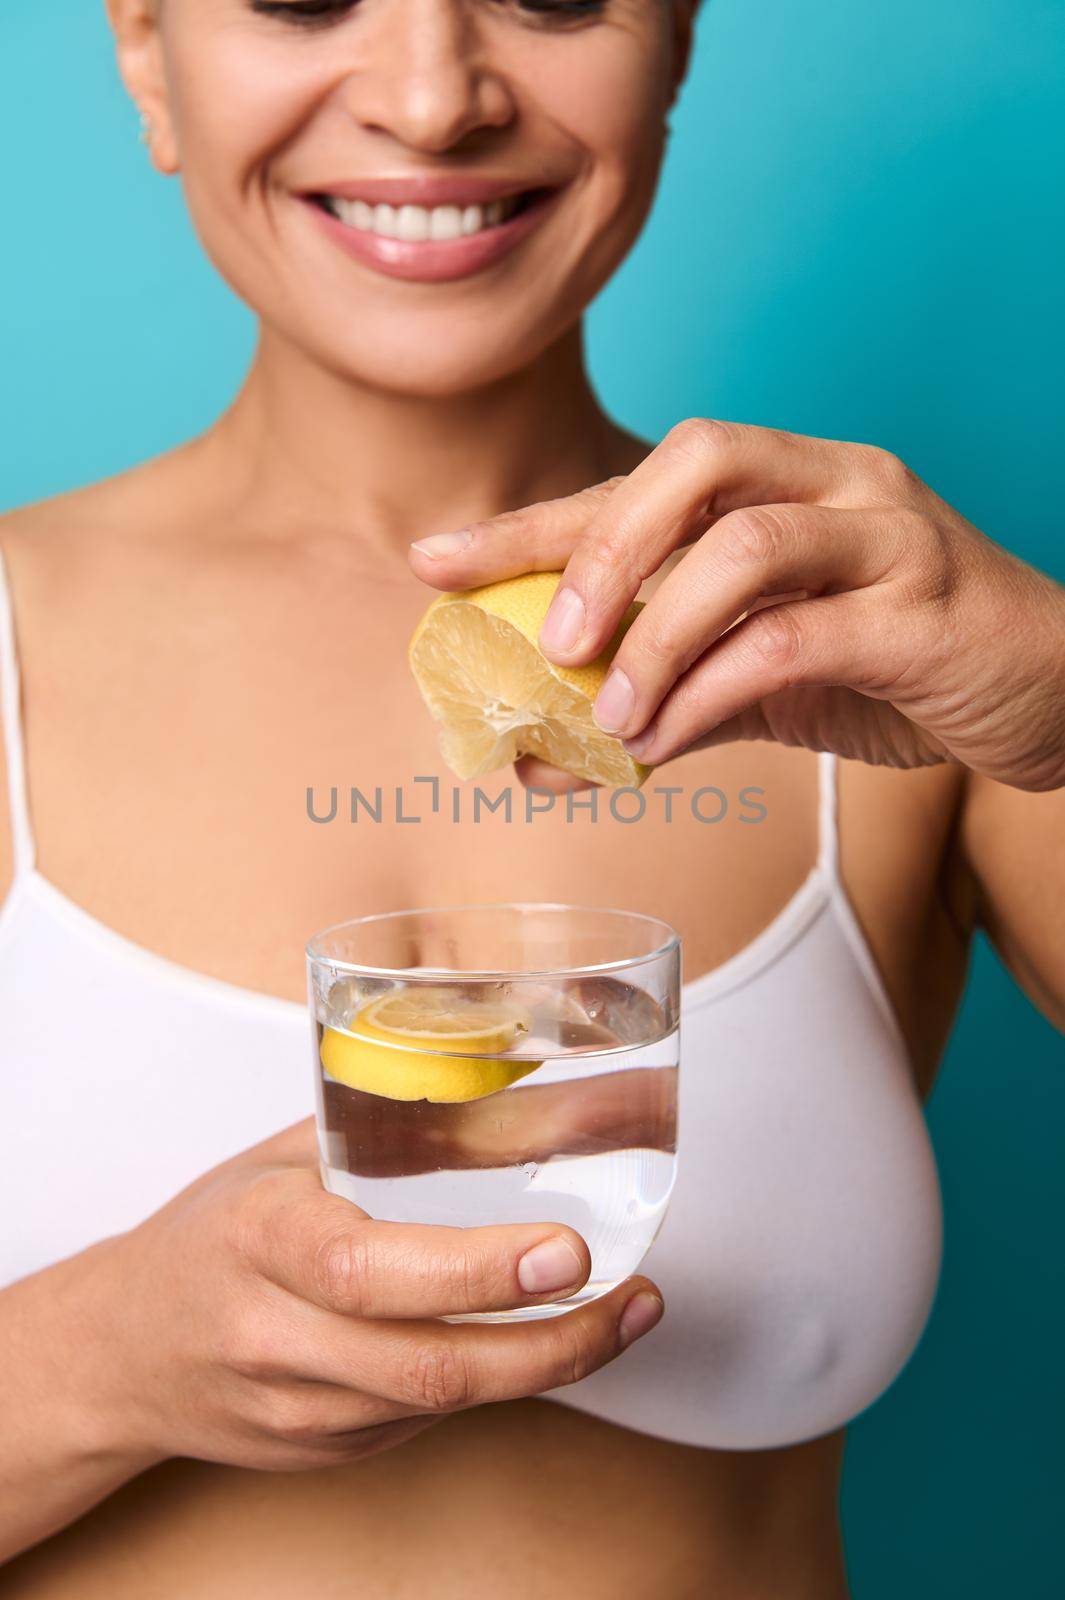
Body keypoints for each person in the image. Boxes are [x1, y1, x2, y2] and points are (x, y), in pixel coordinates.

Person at [0, 0, 1062, 1593]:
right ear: (147, 55)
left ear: (678, 46)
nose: (431, 102)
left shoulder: (908, 658)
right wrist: (100, 1360)